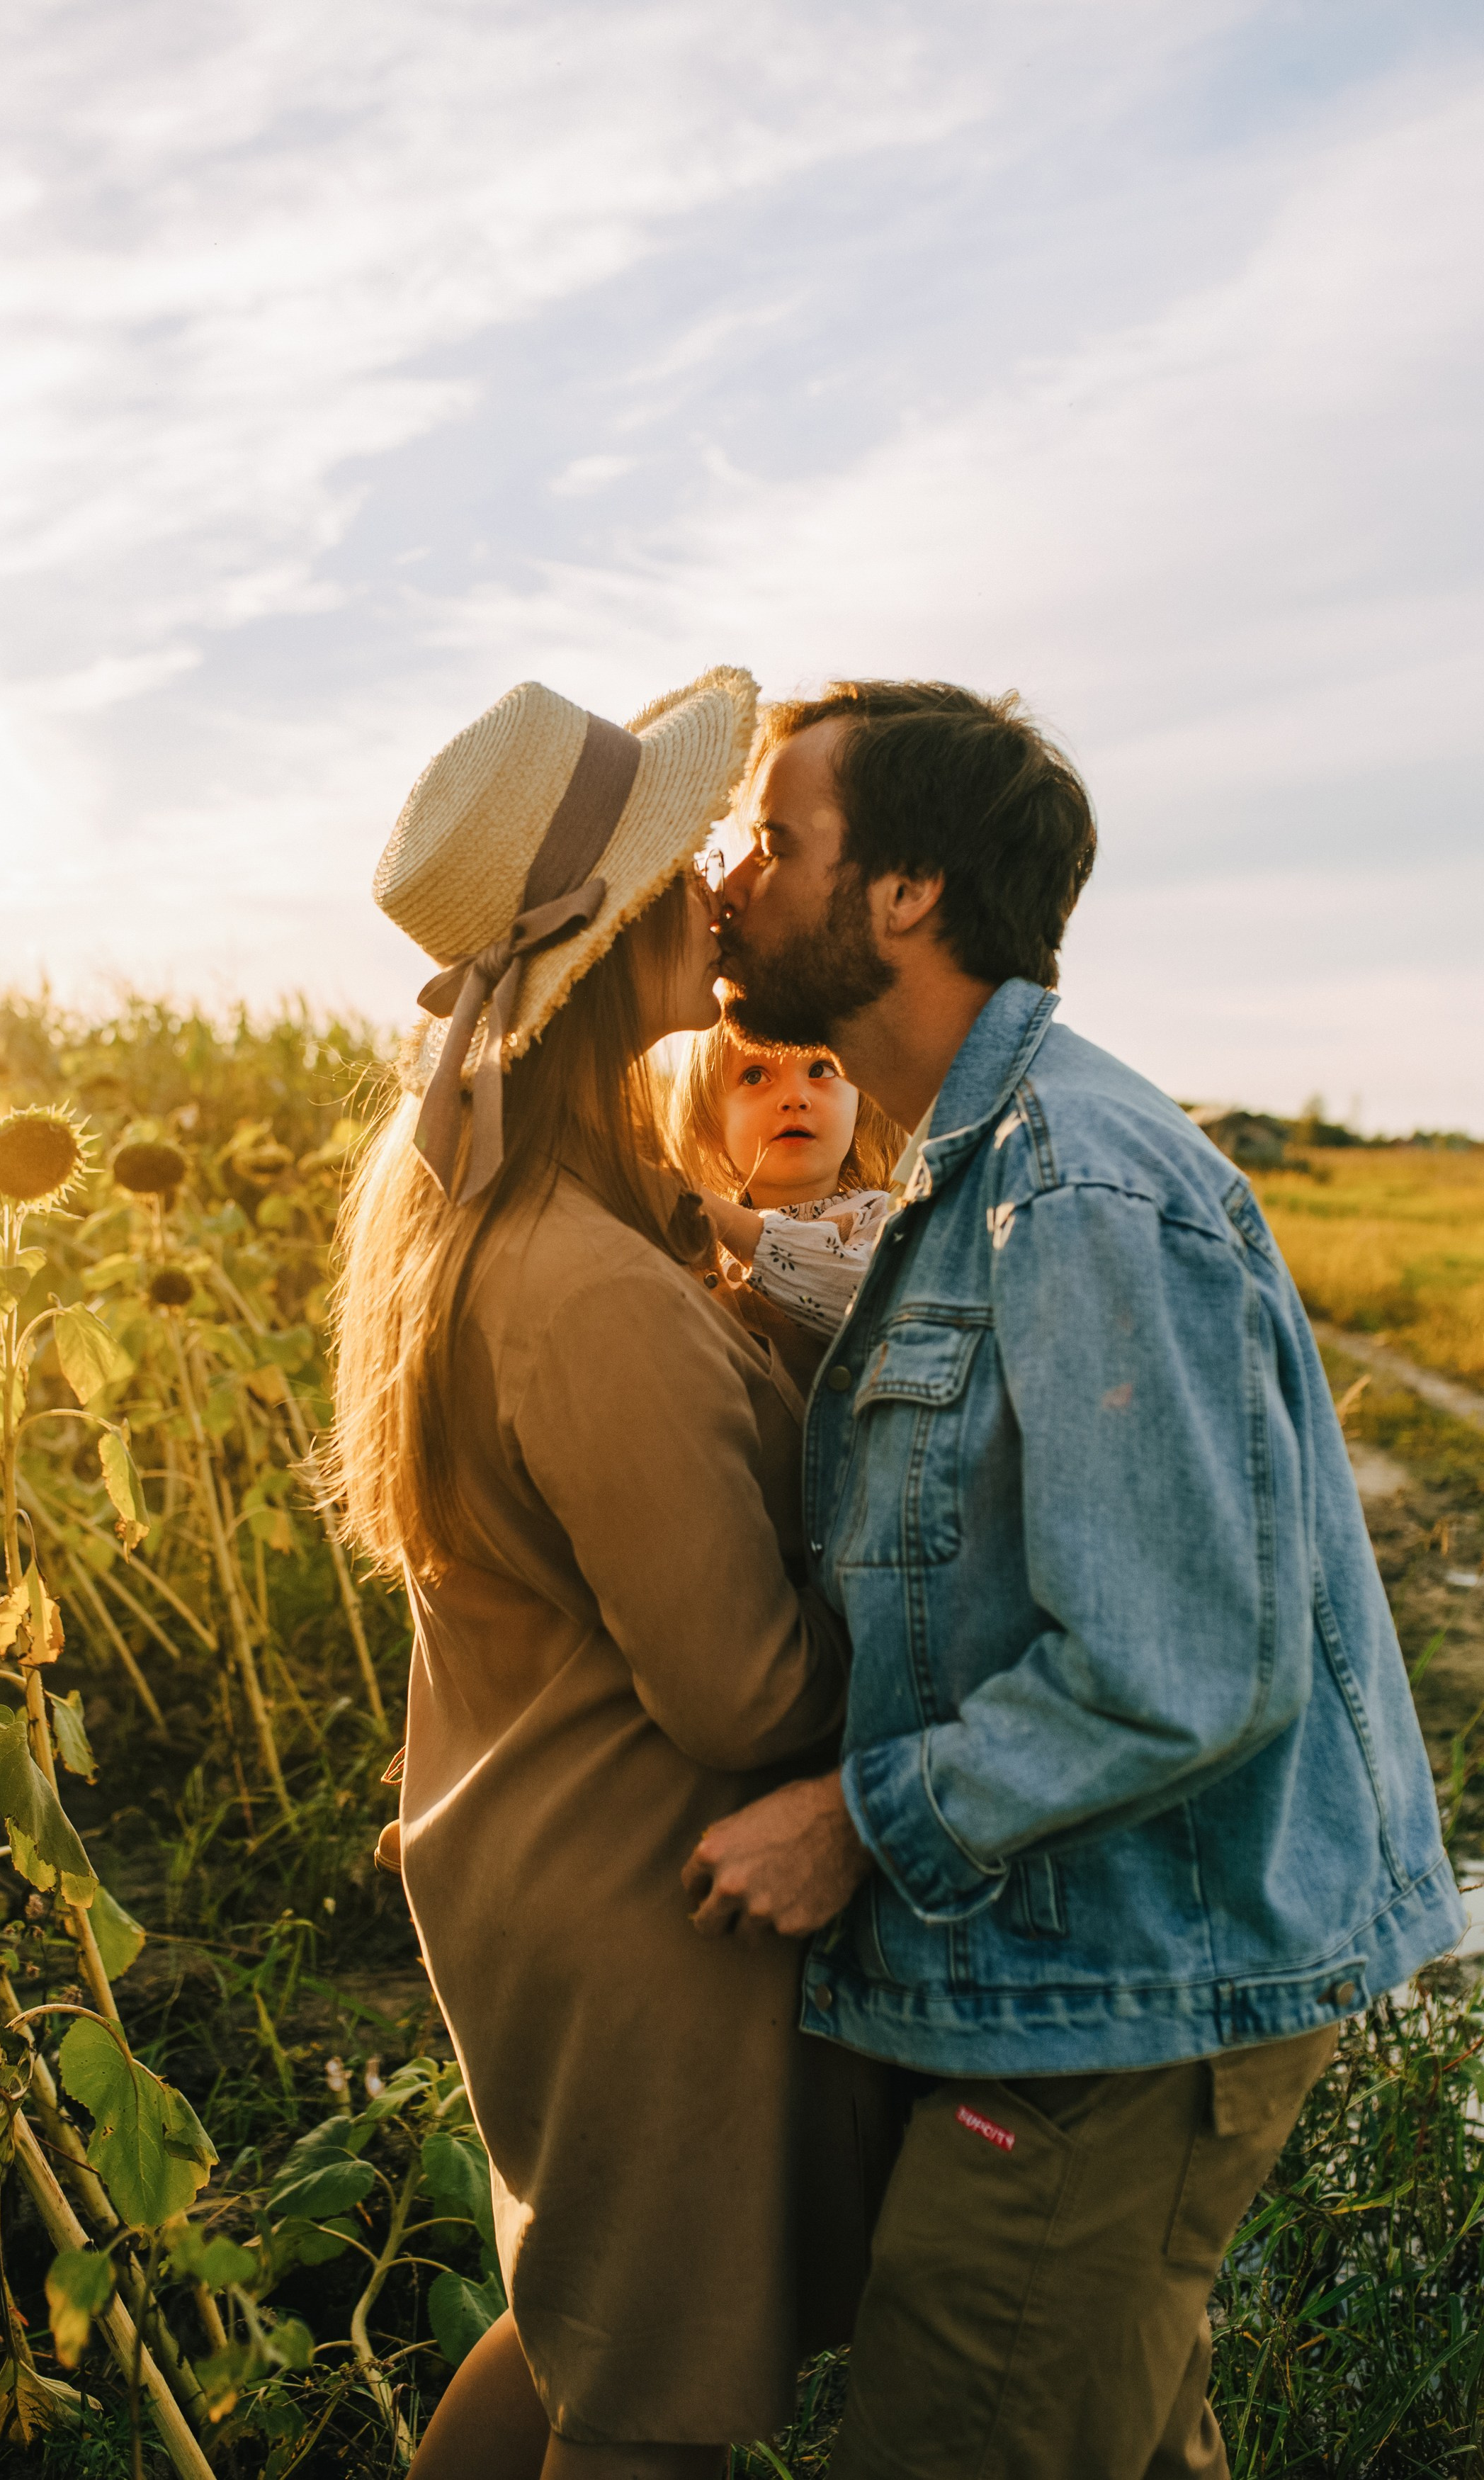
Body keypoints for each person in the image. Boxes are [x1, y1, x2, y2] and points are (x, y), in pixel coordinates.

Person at [682, 680, 1463, 2480]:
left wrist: (852, 1823)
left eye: (775, 839)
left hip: (1124, 1989)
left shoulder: (1077, 1187)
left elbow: (1177, 1663)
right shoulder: (972, 1168)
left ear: (904, 893)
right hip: (1079, 1967)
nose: (729, 880)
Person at [328, 671, 894, 2480]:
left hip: (541, 1849)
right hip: (650, 1901)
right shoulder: (584, 1285)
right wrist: (939, 1646)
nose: (719, 883)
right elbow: (739, 1689)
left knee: (581, 2322)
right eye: (678, 862)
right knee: (654, 2407)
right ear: (610, 932)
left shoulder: (539, 1210)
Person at [667, 1025, 901, 1351]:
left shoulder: (883, 1218)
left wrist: (722, 1215)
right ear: (710, 1124)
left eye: (821, 1070)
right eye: (754, 1076)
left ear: (862, 1103)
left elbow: (863, 1306)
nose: (795, 1098)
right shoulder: (695, 1245)